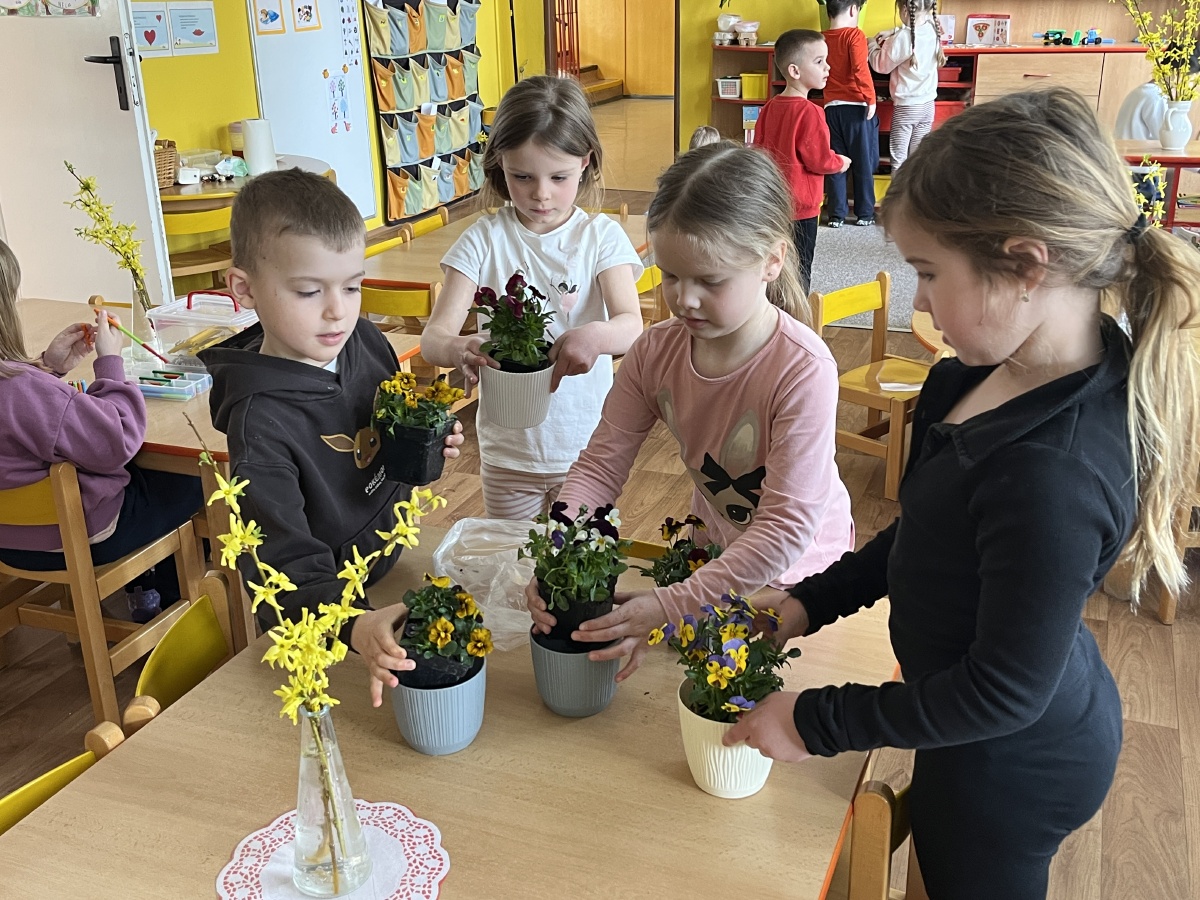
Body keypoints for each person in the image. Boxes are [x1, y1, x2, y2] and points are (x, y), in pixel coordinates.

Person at [725, 88, 1200, 899]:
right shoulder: (983, 375)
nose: (918, 300)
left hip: (1011, 762)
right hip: (970, 719)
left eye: (928, 273)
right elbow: (929, 532)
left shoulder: (1053, 472)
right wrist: (812, 601)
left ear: (1026, 266)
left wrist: (815, 719)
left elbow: (1002, 691)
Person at [526, 142, 855, 682]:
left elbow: (784, 529)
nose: (685, 299)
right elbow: (600, 467)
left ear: (772, 260)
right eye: (671, 276)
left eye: (711, 280)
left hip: (801, 578)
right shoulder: (655, 351)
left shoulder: (803, 369)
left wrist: (671, 604)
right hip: (715, 555)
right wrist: (557, 555)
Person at [200, 169, 465, 707]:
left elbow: (383, 423)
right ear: (244, 288)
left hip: (392, 562)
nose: (337, 310)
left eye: (352, 286)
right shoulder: (260, 423)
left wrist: (421, 439)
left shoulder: (361, 339)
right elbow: (281, 566)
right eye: (308, 291)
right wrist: (352, 624)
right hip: (329, 620)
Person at [418, 75, 644, 521]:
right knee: (510, 557)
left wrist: (596, 336)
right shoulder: (483, 238)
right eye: (522, 177)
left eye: (559, 177)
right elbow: (433, 339)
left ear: (585, 163)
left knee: (581, 558)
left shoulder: (600, 237)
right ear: (499, 164)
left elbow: (632, 325)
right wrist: (460, 346)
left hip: (586, 450)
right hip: (508, 453)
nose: (541, 193)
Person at [0, 239, 202, 620]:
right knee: (190, 478)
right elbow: (118, 439)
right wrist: (110, 361)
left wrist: (47, 366)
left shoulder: (23, 387)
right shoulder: (22, 391)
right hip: (80, 537)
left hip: (9, 542)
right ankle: (170, 603)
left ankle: (145, 588)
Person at [754, 29, 851, 294]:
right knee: (801, 267)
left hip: (772, 204)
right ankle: (796, 314)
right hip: (801, 210)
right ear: (795, 71)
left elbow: (759, 152)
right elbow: (819, 160)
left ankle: (771, 310)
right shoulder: (811, 112)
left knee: (774, 265)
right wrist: (839, 162)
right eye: (819, 61)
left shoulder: (770, 107)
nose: (827, 67)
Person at [870, 0, 946, 171]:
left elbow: (880, 65)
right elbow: (916, 27)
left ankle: (897, 189)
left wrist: (871, 45)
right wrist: (894, 31)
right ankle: (914, 188)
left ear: (905, 9)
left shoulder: (903, 38)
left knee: (899, 159)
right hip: (928, 105)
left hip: (907, 108)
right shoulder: (933, 27)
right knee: (917, 157)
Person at [823, 0, 880, 227]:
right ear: (854, 9)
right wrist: (871, 98)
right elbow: (859, 68)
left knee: (837, 161)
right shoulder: (854, 35)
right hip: (856, 109)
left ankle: (836, 215)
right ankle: (865, 213)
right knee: (863, 162)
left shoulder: (820, 39)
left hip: (831, 108)